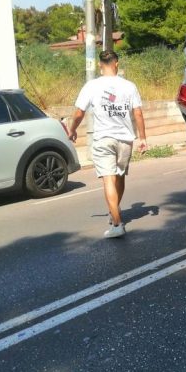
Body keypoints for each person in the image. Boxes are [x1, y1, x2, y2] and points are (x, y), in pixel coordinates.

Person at [67, 50, 148, 238]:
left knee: (108, 179)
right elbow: (138, 113)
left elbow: (79, 112)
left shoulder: (92, 86)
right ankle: (114, 213)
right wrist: (143, 138)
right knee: (119, 177)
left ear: (99, 65)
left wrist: (72, 130)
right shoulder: (129, 86)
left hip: (103, 138)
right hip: (125, 139)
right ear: (116, 63)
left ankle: (117, 224)